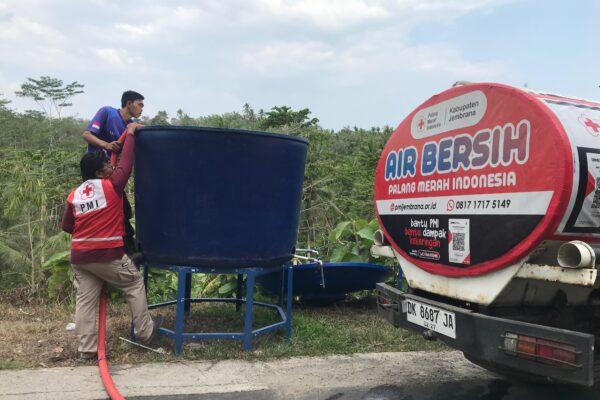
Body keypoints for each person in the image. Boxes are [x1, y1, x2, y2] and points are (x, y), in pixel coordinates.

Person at [62, 123, 161, 361]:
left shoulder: (74, 194)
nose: (111, 166)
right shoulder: (112, 186)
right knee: (134, 284)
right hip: (108, 255)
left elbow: (67, 227)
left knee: (86, 300)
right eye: (107, 165)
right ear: (99, 173)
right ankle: (146, 334)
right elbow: (126, 162)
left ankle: (87, 349)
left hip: (80, 257)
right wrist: (132, 134)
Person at [82, 91, 145, 256]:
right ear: (129, 103)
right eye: (140, 104)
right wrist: (106, 145)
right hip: (96, 174)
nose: (142, 109)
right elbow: (87, 134)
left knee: (124, 210)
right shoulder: (107, 112)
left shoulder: (130, 126)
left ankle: (127, 249)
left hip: (111, 177)